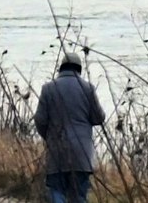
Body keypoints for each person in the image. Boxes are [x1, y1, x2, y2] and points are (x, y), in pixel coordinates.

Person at [34, 49, 107, 203]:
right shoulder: (88, 88)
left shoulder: (48, 88)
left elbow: (40, 120)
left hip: (57, 151)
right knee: (79, 196)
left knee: (56, 190)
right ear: (79, 69)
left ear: (60, 69)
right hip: (81, 154)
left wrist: (49, 137)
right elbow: (99, 118)